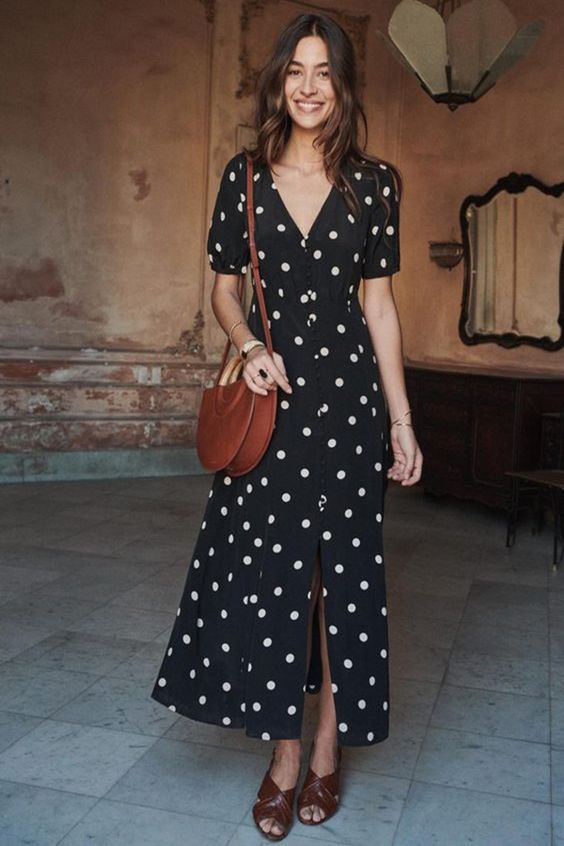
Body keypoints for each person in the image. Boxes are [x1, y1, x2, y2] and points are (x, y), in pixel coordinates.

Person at [151, 10, 422, 841]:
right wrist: (248, 347)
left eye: (324, 72)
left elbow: (380, 308)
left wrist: (401, 421)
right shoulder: (244, 177)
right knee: (276, 583)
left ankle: (328, 751)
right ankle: (282, 757)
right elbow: (223, 287)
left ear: (343, 87)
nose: (309, 87)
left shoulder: (375, 185)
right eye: (296, 71)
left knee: (342, 583)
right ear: (279, 83)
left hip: (349, 411)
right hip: (274, 406)